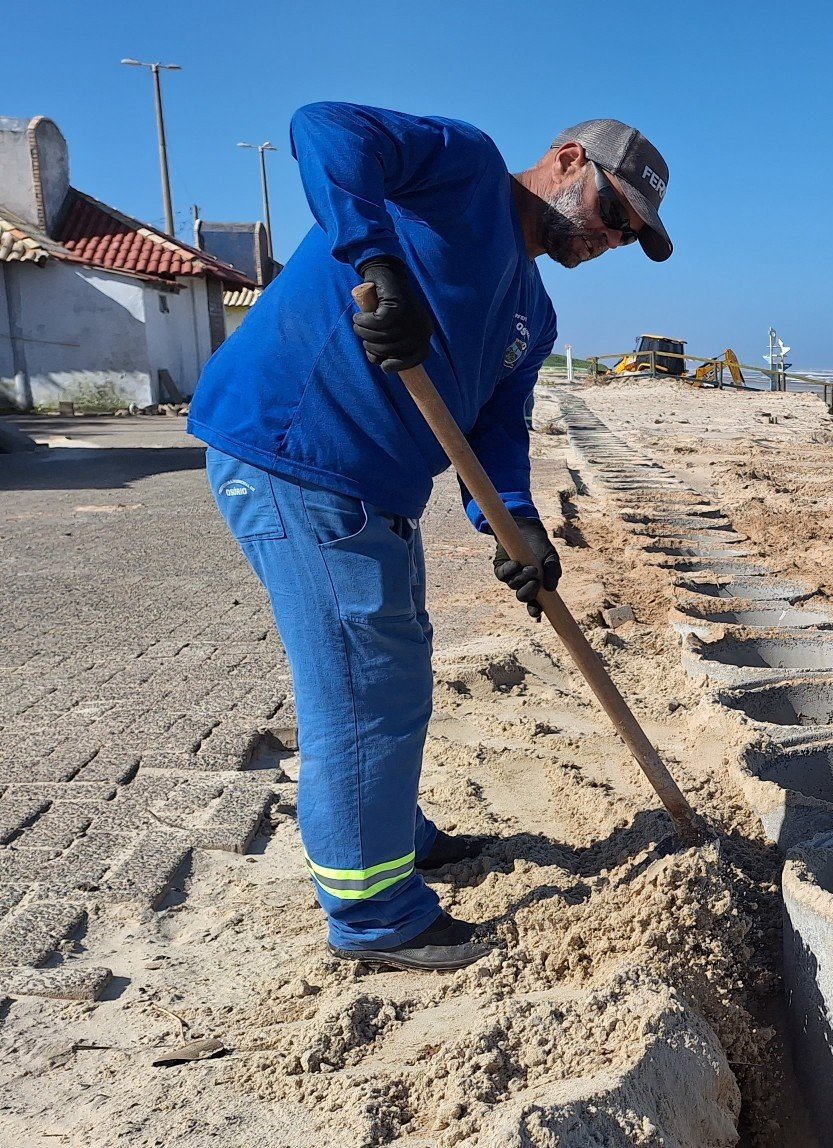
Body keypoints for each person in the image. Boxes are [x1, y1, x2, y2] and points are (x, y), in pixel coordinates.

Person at [188, 103, 673, 971]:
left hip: (380, 489)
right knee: (365, 682)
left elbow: (496, 435)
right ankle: (373, 912)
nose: (616, 240)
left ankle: (392, 829)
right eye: (614, 215)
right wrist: (378, 265)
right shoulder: (461, 169)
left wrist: (518, 528)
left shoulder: (532, 311)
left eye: (633, 237)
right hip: (295, 452)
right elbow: (325, 130)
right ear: (567, 161)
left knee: (398, 657)